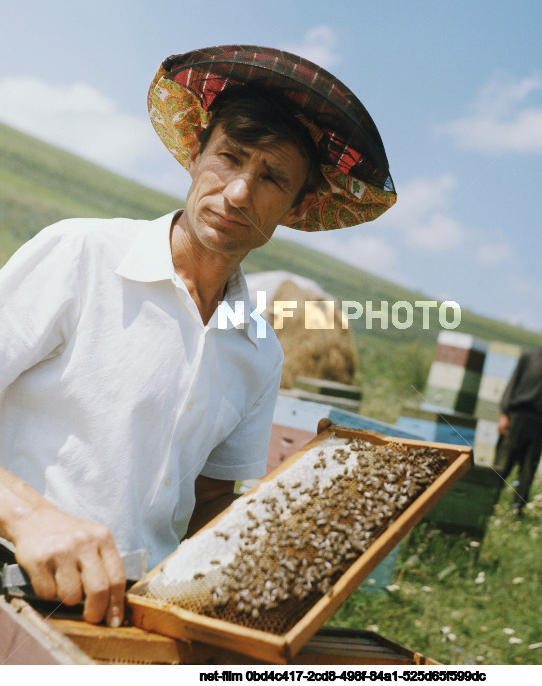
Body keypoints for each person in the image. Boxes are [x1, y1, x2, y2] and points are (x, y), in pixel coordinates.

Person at [0, 45, 396, 627]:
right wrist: (28, 517)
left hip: (138, 619)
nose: (238, 193)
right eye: (229, 158)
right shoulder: (79, 254)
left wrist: (293, 515)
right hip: (14, 581)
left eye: (272, 178)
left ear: (297, 205)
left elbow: (208, 502)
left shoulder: (259, 351)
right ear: (195, 153)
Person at [494, 320, 542, 516]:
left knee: (528, 469)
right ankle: (489, 499)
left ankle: (516, 510)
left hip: (541, 423)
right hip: (518, 416)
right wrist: (504, 413)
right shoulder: (529, 357)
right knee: (504, 462)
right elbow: (512, 384)